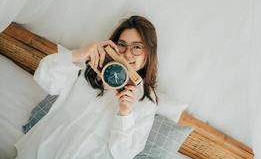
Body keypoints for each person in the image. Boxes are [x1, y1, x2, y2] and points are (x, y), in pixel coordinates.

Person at [15, 15, 158, 159]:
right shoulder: (88, 66)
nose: (127, 54)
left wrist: (125, 114)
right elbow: (44, 77)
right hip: (43, 150)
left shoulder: (146, 101)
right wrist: (80, 53)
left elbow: (123, 153)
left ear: (148, 53)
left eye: (137, 47)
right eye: (122, 45)